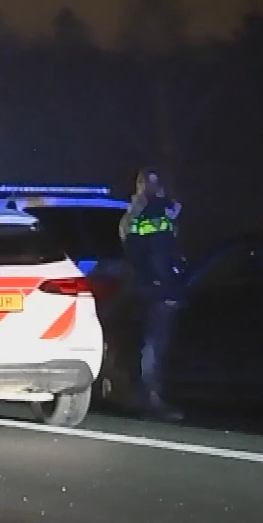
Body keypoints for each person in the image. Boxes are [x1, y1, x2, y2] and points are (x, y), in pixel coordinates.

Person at [118, 167, 186, 421]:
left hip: (156, 288)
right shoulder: (150, 214)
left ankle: (148, 397)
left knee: (155, 345)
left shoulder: (149, 213)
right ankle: (152, 400)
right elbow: (155, 254)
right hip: (157, 290)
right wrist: (164, 285)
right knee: (155, 346)